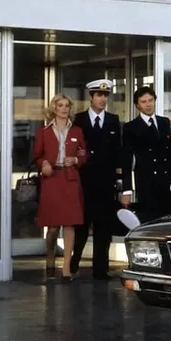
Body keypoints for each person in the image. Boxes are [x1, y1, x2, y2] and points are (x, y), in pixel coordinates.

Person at [70, 79, 123, 280]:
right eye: (98, 95)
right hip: (83, 182)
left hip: (105, 183)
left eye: (105, 95)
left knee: (104, 227)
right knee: (81, 226)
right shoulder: (79, 120)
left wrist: (119, 180)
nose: (102, 99)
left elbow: (117, 152)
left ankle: (101, 269)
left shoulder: (112, 120)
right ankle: (73, 264)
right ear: (91, 97)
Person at [33, 93, 87, 282]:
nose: (64, 109)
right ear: (54, 109)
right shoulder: (44, 132)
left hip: (70, 179)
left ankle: (66, 268)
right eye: (60, 105)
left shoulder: (77, 131)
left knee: (70, 224)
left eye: (67, 106)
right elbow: (36, 156)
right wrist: (43, 164)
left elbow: (83, 154)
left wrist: (76, 160)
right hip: (52, 179)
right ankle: (50, 257)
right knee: (54, 227)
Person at [121, 86, 171, 223]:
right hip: (145, 182)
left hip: (164, 182)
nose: (148, 104)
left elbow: (169, 153)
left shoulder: (164, 122)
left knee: (165, 221)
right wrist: (127, 190)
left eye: (150, 100)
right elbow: (126, 160)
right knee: (149, 220)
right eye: (143, 102)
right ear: (137, 105)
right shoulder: (131, 127)